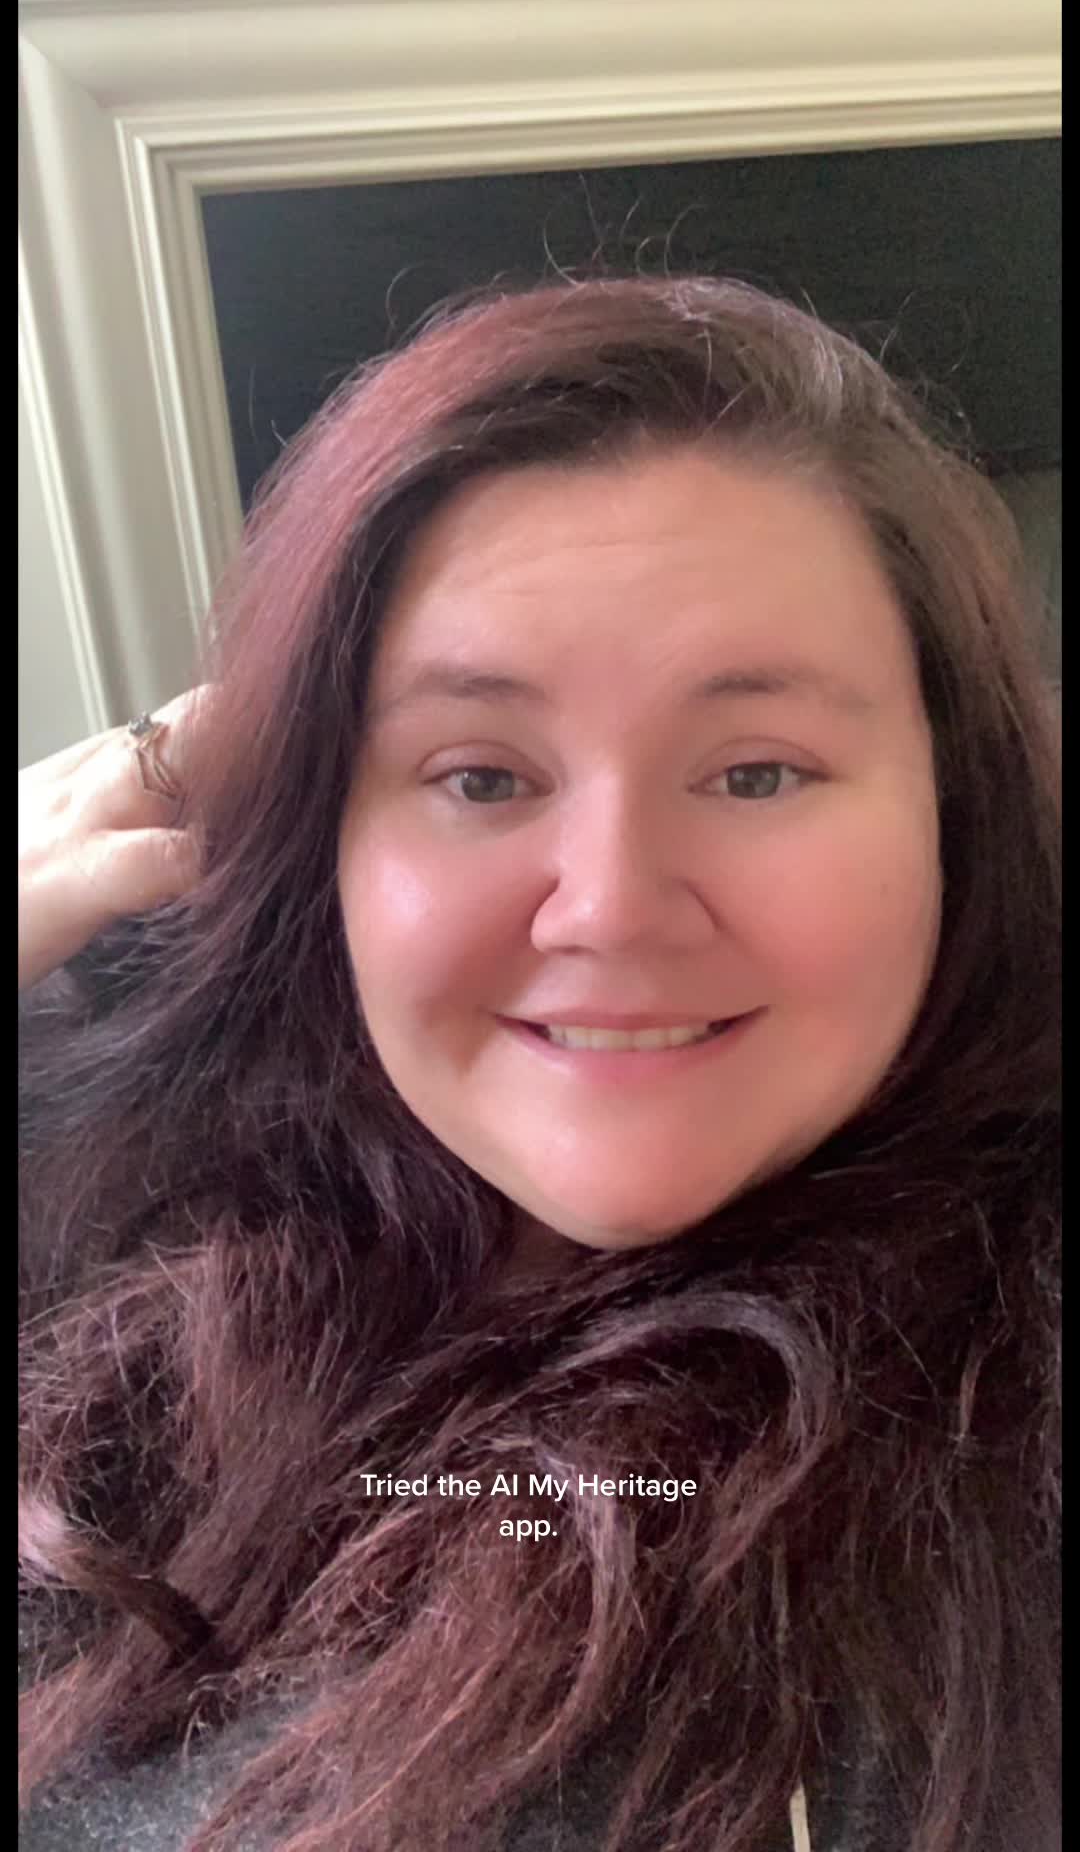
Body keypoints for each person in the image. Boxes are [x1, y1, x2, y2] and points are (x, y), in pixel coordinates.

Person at [18, 275, 1060, 1852]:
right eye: (482, 776)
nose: (612, 907)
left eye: (758, 771)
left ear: (954, 814)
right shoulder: (121, 1146)